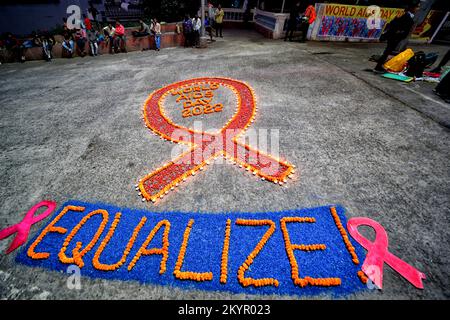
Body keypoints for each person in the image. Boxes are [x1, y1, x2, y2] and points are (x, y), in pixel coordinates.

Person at [374, 3, 419, 73]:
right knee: (387, 52)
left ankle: (379, 66)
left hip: (396, 36)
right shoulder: (405, 15)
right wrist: (397, 33)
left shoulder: (407, 15)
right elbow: (394, 24)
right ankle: (378, 67)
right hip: (394, 37)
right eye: (417, 7)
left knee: (387, 52)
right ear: (412, 8)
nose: (418, 9)